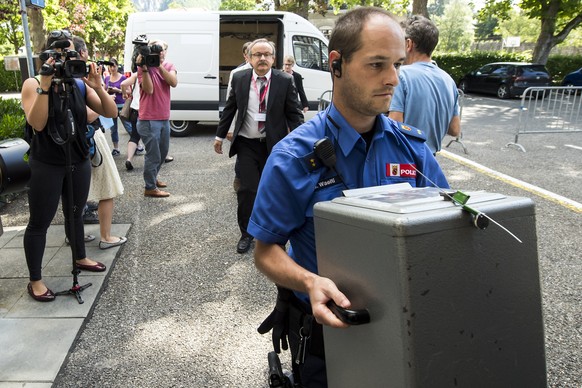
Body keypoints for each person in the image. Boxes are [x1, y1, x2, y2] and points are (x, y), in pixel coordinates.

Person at [247, 8, 449, 387]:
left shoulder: (413, 149)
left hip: (406, 328)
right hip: (328, 338)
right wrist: (309, 282)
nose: (392, 79)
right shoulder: (292, 157)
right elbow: (265, 251)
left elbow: (445, 225)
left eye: (397, 65)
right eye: (376, 65)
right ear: (336, 64)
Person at [21, 30, 118, 302]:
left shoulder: (78, 84)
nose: (65, 61)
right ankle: (35, 280)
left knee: (75, 214)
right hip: (47, 163)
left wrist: (98, 85)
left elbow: (110, 112)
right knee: (39, 222)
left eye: (70, 55)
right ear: (48, 56)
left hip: (77, 159)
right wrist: (45, 83)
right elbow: (38, 123)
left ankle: (80, 257)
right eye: (59, 55)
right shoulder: (33, 83)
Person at [213, 38, 303, 254]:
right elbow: (230, 108)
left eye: (266, 54)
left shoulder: (284, 80)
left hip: (273, 146)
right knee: (247, 190)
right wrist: (218, 135)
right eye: (257, 55)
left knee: (274, 190)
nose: (262, 58)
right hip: (246, 144)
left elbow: (294, 114)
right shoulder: (240, 78)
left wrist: (300, 141)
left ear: (273, 58)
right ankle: (246, 234)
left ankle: (273, 234)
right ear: (249, 58)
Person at [388, 14, 461, 154]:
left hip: (403, 162)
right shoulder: (448, 80)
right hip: (430, 162)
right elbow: (455, 129)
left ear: (409, 44)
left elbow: (394, 127)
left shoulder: (401, 75)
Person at [136, 39, 178, 197]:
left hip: (163, 117)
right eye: (157, 50)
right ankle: (150, 187)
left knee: (163, 151)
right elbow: (149, 90)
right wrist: (146, 69)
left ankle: (153, 178)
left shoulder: (168, 66)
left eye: (163, 50)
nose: (161, 52)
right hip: (148, 119)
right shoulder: (143, 68)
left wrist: (159, 65)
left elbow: (173, 82)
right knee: (153, 154)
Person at [104, 58, 132, 155]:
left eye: (114, 66)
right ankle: (116, 148)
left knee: (128, 126)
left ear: (117, 66)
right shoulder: (107, 78)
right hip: (111, 106)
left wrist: (118, 90)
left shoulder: (123, 78)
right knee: (113, 129)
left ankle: (136, 145)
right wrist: (108, 92)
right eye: (110, 66)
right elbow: (103, 92)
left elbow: (129, 91)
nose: (112, 68)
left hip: (122, 105)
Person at [120, 72, 145, 171]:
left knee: (134, 136)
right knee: (154, 135)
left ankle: (129, 159)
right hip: (146, 110)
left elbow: (123, 84)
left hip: (135, 110)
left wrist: (124, 93)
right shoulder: (153, 72)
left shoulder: (137, 74)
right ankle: (163, 157)